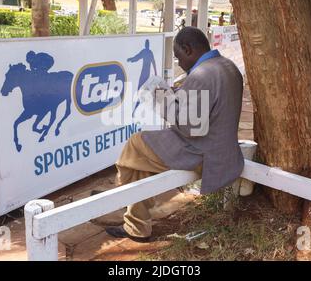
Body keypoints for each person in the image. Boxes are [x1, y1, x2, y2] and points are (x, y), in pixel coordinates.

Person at [104, 27, 244, 242]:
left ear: (188, 49)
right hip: (221, 148)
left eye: (179, 57)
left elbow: (189, 126)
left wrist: (159, 97)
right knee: (139, 162)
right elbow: (207, 107)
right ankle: (136, 224)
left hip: (201, 154)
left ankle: (120, 194)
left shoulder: (201, 75)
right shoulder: (228, 66)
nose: (179, 63)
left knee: (135, 145)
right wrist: (176, 94)